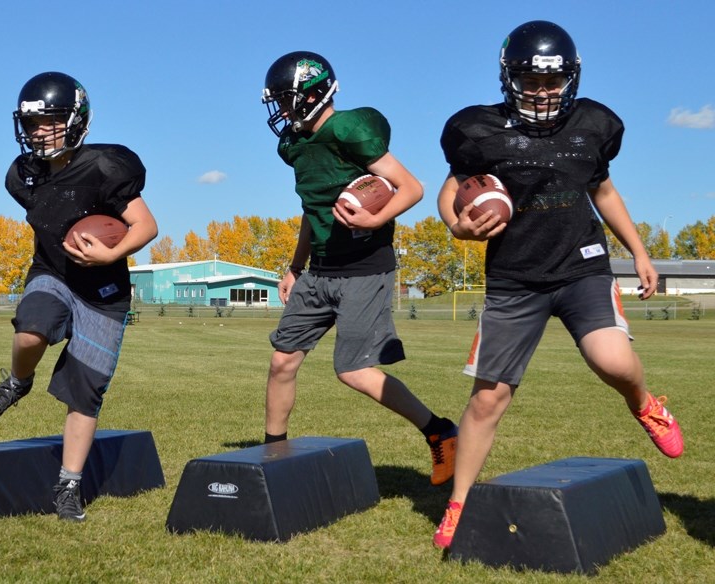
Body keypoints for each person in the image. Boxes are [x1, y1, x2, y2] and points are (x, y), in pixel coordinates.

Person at [433, 21, 684, 549]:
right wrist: (457, 226)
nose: (543, 92)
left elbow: (604, 191)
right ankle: (457, 504)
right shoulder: (477, 130)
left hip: (581, 266)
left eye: (553, 81)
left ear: (571, 78)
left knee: (612, 361)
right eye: (531, 80)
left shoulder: (594, 123)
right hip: (514, 278)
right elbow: (454, 187)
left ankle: (645, 403)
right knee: (487, 400)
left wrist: (639, 252)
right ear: (509, 77)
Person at [260, 51, 458, 486]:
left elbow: (412, 187)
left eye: (287, 99)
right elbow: (311, 212)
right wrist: (295, 267)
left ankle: (439, 430)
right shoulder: (294, 145)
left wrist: (374, 218)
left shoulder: (349, 128)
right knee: (282, 361)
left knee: (352, 370)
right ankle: (273, 455)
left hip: (366, 268)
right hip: (320, 269)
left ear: (313, 94)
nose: (282, 109)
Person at [0, 71, 158, 522]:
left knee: (85, 392)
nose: (39, 131)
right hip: (53, 273)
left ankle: (68, 486)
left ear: (75, 121)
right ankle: (17, 382)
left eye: (50, 120)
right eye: (33, 123)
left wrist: (111, 251)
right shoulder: (23, 176)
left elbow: (147, 227)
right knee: (32, 330)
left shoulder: (107, 167)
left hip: (104, 292)